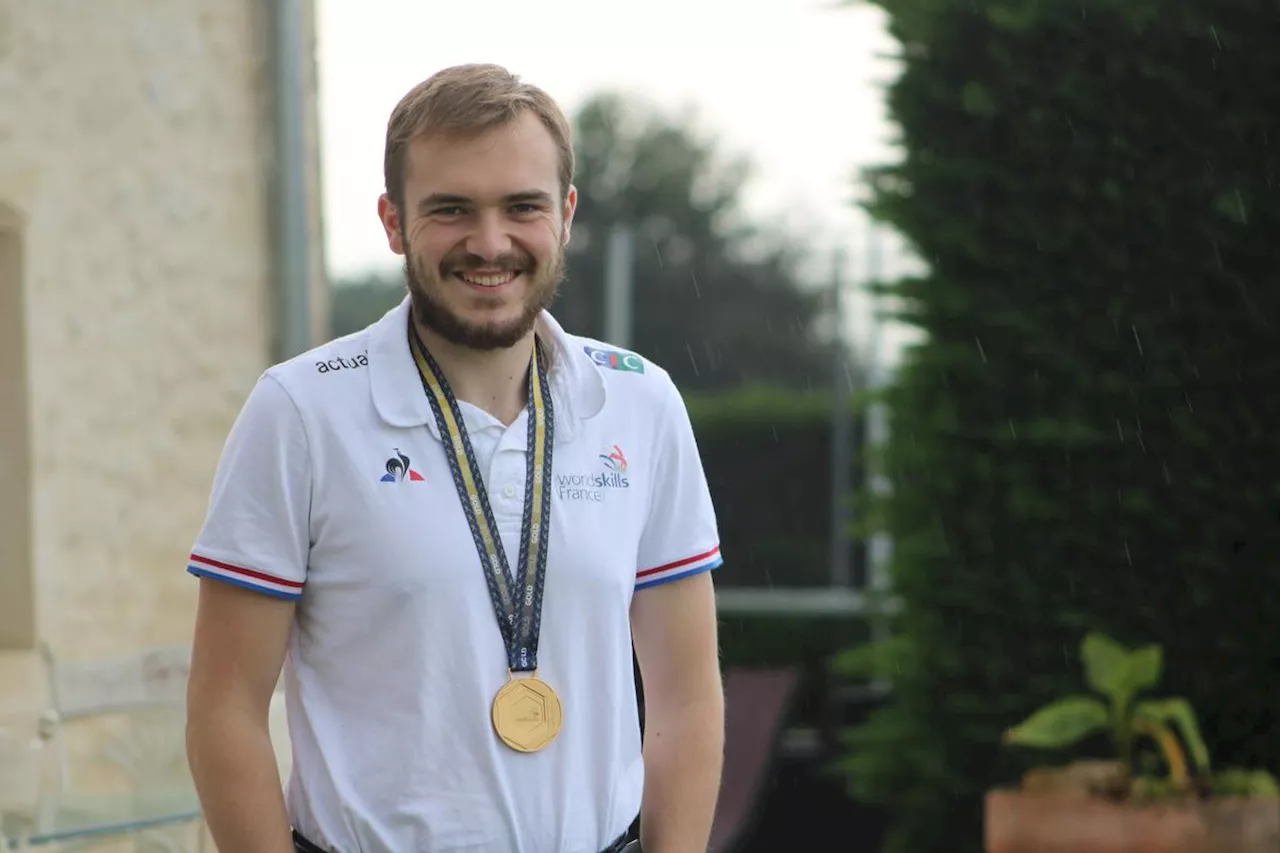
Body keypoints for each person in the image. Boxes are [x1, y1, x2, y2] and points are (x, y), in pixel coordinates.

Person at [183, 63, 725, 853]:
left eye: (522, 207)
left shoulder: (642, 404)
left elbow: (687, 695)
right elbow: (225, 708)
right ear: (394, 222)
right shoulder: (301, 411)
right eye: (451, 209)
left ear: (566, 215)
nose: (491, 242)